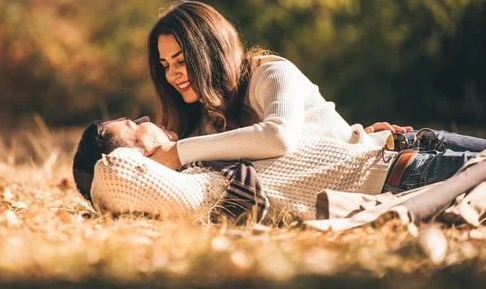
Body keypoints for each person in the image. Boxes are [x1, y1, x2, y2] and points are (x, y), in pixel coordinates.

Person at [146, 0, 412, 171]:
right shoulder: (205, 119)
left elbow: (278, 137)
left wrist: (180, 152)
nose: (172, 76)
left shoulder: (272, 73)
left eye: (181, 61)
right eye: (166, 65)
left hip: (401, 159)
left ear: (210, 54)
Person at [73, 117, 486, 221]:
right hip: (413, 174)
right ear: (138, 154)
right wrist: (109, 161)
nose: (145, 118)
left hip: (410, 143)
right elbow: (112, 176)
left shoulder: (198, 154)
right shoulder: (201, 186)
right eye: (132, 125)